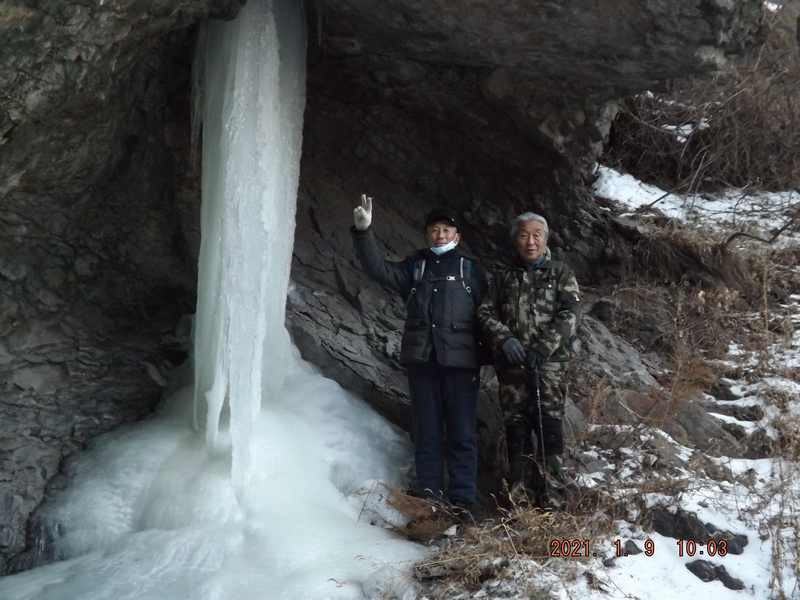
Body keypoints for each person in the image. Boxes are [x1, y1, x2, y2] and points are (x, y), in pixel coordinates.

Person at [351, 195, 485, 511]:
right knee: (426, 431)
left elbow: (488, 313)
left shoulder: (470, 270)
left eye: (446, 230)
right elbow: (380, 270)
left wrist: (491, 355)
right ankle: (429, 497)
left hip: (461, 366)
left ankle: (463, 500)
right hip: (423, 362)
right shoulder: (416, 266)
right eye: (435, 229)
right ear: (427, 234)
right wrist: (363, 233)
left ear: (457, 236)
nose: (440, 235)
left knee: (462, 433)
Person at [477, 212, 580, 505]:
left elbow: (571, 314)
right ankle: (519, 498)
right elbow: (485, 312)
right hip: (512, 369)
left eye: (537, 235)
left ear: (546, 239)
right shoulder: (503, 276)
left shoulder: (561, 274)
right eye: (524, 235)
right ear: (515, 240)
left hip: (549, 368)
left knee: (549, 429)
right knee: (516, 430)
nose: (530, 241)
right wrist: (505, 338)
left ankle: (553, 497)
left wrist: (543, 348)